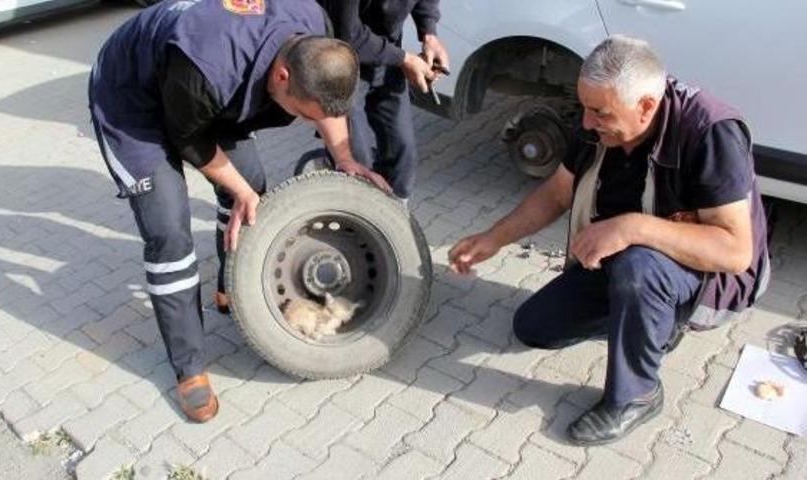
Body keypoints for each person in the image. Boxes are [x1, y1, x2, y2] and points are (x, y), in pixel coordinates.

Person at [448, 35, 770, 445]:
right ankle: (649, 320)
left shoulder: (709, 131)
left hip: (709, 281)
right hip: (625, 261)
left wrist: (632, 227)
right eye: (584, 107)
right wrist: (494, 238)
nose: (585, 123)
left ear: (647, 107)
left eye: (599, 112)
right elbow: (557, 193)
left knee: (640, 267)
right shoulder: (597, 121)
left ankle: (636, 395)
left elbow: (735, 252)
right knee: (534, 328)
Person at [88, 0, 381, 423]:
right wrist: (241, 191)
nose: (304, 123)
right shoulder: (208, 63)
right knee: (169, 231)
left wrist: (345, 157)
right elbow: (188, 139)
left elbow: (328, 105)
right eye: (301, 113)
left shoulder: (314, 25)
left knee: (252, 191)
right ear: (282, 76)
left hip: (202, 95)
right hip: (134, 106)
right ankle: (189, 368)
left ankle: (230, 283)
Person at [317, 0, 449, 202]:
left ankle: (392, 217)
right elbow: (348, 34)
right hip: (341, 61)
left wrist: (429, 33)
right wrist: (405, 59)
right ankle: (351, 213)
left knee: (403, 159)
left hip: (387, 58)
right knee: (356, 163)